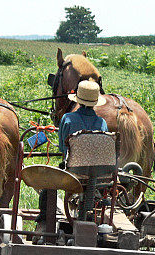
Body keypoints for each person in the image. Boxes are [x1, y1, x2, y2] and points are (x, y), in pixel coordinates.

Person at [35, 80, 107, 237]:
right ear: (95, 102)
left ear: (78, 100)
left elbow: (62, 148)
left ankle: (42, 223)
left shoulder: (67, 119)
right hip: (99, 177)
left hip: (73, 174)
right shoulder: (102, 123)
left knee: (48, 185)